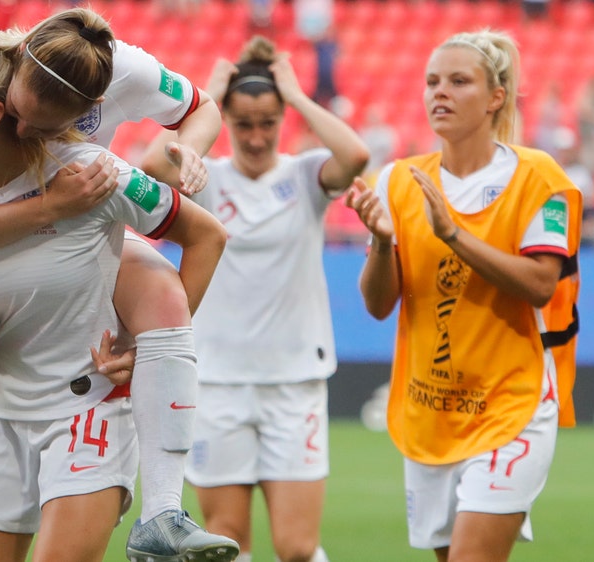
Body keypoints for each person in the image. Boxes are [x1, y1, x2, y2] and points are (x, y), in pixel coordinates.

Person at [0, 8, 238, 562]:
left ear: (91, 111)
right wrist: (49, 206)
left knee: (161, 294)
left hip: (85, 399)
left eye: (45, 121)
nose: (25, 130)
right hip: (0, 402)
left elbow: (200, 136)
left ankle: (165, 511)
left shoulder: (100, 159)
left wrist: (187, 153)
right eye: (17, 116)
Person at [344, 29, 582, 562]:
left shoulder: (539, 178)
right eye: (431, 82)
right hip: (432, 408)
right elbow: (379, 304)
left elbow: (542, 285)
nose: (439, 93)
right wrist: (383, 244)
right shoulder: (398, 180)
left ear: (496, 96)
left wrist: (453, 234)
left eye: (458, 81)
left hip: (512, 403)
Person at [173, 35, 369, 562]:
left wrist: (299, 96)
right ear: (227, 123)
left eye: (267, 122)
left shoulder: (304, 176)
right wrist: (207, 96)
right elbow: (151, 165)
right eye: (242, 124)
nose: (256, 137)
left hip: (293, 384)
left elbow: (355, 154)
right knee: (226, 539)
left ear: (282, 120)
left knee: (298, 548)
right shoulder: (205, 179)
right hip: (216, 382)